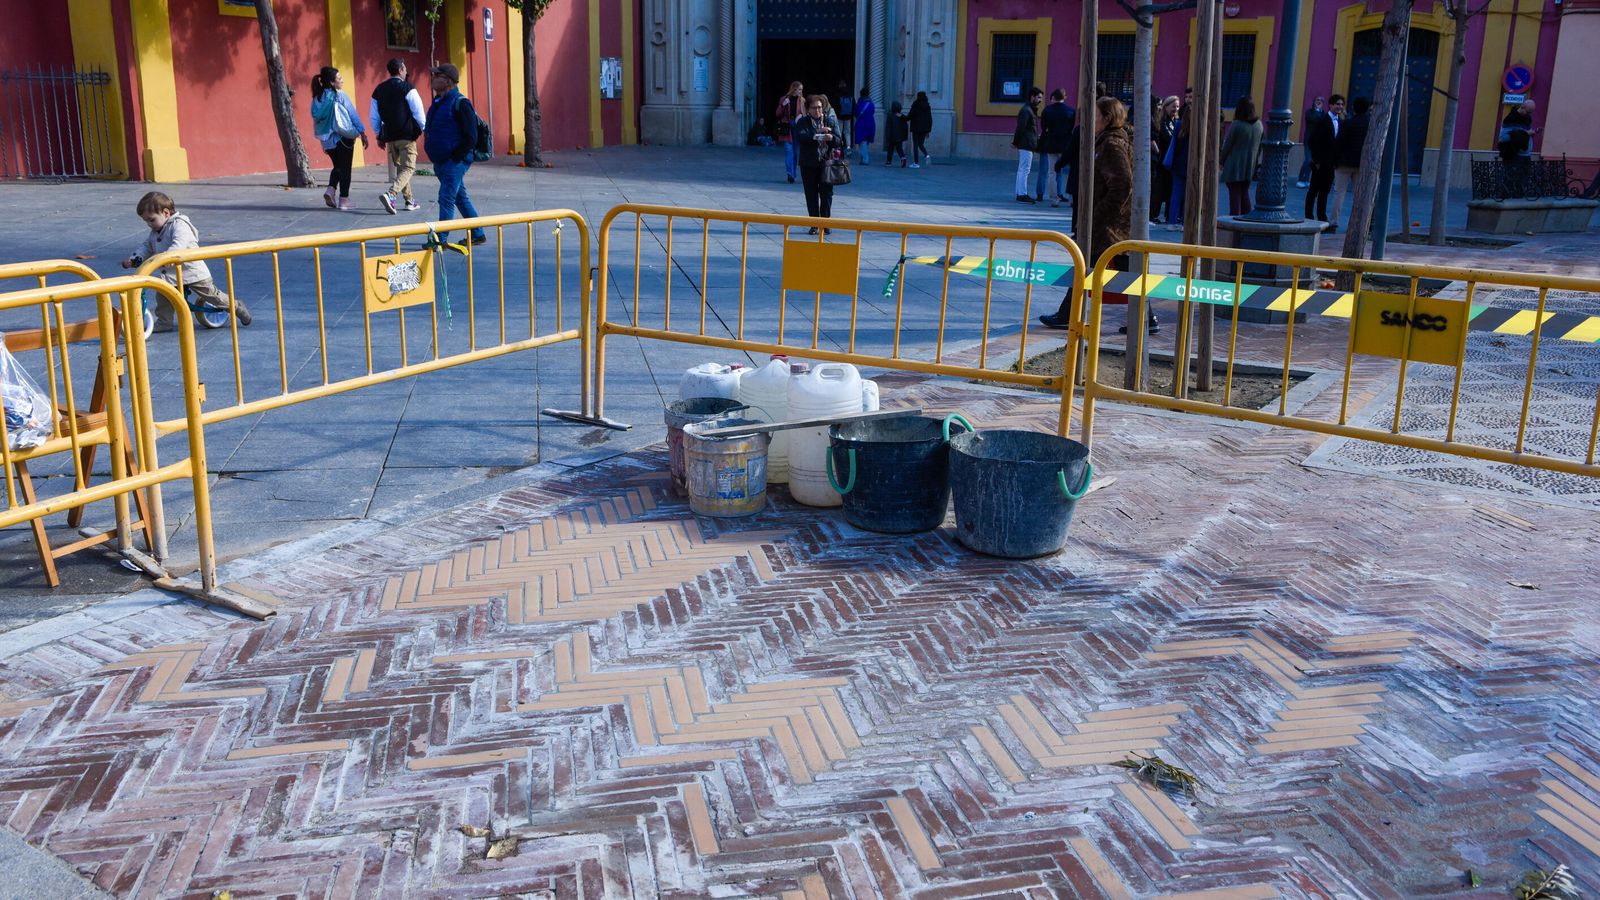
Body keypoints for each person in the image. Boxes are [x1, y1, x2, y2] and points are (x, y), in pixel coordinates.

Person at [1039, 97, 1141, 331]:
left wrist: (1100, 213)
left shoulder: (1111, 144)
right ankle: (1068, 313)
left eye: (1094, 115)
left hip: (1109, 224)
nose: (1090, 120)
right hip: (1109, 223)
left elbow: (1123, 184)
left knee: (1099, 265)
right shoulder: (1107, 140)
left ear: (1107, 117)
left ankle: (1144, 318)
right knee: (1090, 264)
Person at [120, 191, 252, 332]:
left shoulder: (180, 225)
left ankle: (236, 306)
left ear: (166, 213)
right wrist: (135, 259)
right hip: (172, 276)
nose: (149, 224)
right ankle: (164, 322)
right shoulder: (156, 231)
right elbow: (147, 247)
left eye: (151, 220)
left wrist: (170, 256)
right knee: (163, 298)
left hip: (192, 273)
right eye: (146, 221)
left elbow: (179, 243)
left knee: (213, 296)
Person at [422, 63, 487, 245]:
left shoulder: (461, 103)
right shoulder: (438, 102)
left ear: (448, 81)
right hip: (441, 160)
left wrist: (456, 158)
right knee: (460, 197)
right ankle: (478, 233)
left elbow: (471, 136)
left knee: (446, 198)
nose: (433, 79)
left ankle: (440, 239)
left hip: (454, 161)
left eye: (437, 76)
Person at [369, 58, 426, 215]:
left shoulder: (379, 90)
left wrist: (379, 135)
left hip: (390, 136)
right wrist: (424, 129)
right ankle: (391, 194)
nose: (406, 71)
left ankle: (409, 200)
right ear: (400, 70)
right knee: (408, 168)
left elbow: (374, 116)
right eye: (405, 68)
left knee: (402, 168)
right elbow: (418, 111)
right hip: (407, 135)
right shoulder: (407, 88)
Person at [309, 66, 368, 210]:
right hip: (343, 136)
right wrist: (362, 133)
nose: (342, 81)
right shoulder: (339, 95)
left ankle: (330, 190)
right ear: (331, 82)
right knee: (345, 168)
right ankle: (344, 199)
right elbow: (353, 114)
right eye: (339, 78)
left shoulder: (317, 98)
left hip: (327, 140)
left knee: (338, 166)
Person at [793, 94, 840, 233]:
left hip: (826, 163)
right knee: (811, 194)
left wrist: (831, 138)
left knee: (827, 194)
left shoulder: (829, 121)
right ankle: (814, 223)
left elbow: (839, 140)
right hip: (809, 163)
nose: (817, 111)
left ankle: (825, 222)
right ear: (808, 109)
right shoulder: (803, 122)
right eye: (814, 108)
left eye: (819, 107)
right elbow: (801, 137)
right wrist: (817, 132)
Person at [1327, 96, 1370, 233]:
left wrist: (1334, 161)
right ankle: (1360, 223)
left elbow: (1338, 143)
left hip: (1344, 163)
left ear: (1354, 108)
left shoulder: (1347, 123)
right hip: (1362, 164)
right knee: (1360, 195)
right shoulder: (1370, 124)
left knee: (1339, 193)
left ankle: (1333, 222)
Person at [1220, 96, 1264, 217]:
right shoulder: (1259, 125)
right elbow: (1260, 146)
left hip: (1234, 165)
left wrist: (1221, 161)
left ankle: (1234, 219)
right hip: (1250, 165)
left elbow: (1228, 145)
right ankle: (1247, 218)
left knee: (1235, 194)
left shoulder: (1237, 124)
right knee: (1244, 193)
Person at [1304, 93, 1343, 226]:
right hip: (1320, 163)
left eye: (1341, 104)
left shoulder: (1341, 122)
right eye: (1337, 104)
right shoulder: (1322, 120)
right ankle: (1309, 215)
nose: (1340, 106)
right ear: (1331, 105)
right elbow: (1312, 141)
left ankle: (1321, 216)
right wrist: (1316, 160)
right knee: (1313, 190)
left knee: (1325, 191)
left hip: (1331, 163)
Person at [1038, 89, 1073, 206]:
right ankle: (1071, 198)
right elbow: (1071, 127)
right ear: (1064, 97)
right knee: (1070, 172)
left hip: (1051, 144)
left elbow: (1044, 127)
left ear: (1053, 97)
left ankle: (1054, 199)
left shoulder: (1047, 110)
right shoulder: (1070, 111)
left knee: (1052, 172)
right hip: (1066, 145)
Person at [1013, 87, 1043, 202]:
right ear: (1032, 97)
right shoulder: (1027, 110)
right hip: (1026, 144)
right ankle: (1022, 194)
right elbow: (1021, 128)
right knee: (1025, 170)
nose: (1040, 100)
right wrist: (1015, 142)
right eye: (1038, 97)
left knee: (1022, 169)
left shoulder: (1029, 110)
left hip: (1026, 144)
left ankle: (1019, 193)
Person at [1151, 95, 1178, 223]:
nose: (1175, 109)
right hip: (1162, 160)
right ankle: (1153, 215)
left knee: (1169, 189)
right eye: (1173, 106)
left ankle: (1168, 215)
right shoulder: (1162, 122)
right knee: (1159, 189)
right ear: (1166, 107)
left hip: (1171, 162)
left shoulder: (1175, 121)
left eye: (1177, 106)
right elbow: (1167, 137)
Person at [1164, 102, 1190, 227]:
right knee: (1188, 195)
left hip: (1178, 163)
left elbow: (1174, 144)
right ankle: (1185, 222)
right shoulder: (1197, 126)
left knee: (1176, 194)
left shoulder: (1179, 125)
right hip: (1191, 165)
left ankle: (1172, 221)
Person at [776, 81, 805, 183]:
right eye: (799, 89)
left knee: (795, 152)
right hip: (787, 127)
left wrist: (801, 116)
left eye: (801, 89)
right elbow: (777, 114)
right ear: (794, 89)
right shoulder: (784, 99)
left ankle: (793, 173)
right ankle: (790, 174)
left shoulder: (802, 101)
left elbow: (806, 114)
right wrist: (783, 105)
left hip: (797, 127)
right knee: (789, 151)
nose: (800, 91)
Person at [1297, 95, 1325, 187]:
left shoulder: (1324, 114)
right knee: (1308, 160)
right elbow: (1313, 119)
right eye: (1317, 100)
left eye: (1321, 101)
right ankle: (1301, 179)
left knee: (1312, 161)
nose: (1319, 102)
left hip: (1318, 142)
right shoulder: (1309, 112)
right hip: (1309, 141)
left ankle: (1306, 180)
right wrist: (1318, 110)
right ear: (1314, 102)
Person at [909, 91, 933, 167]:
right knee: (921, 144)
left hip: (916, 128)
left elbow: (910, 115)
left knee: (915, 145)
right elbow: (930, 119)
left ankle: (916, 163)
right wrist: (928, 130)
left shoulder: (915, 104)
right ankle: (926, 155)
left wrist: (902, 117)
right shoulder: (927, 106)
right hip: (924, 129)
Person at [853, 88, 876, 164]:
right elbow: (873, 111)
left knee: (862, 142)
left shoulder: (859, 104)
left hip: (862, 124)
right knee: (866, 142)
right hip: (870, 123)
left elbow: (856, 113)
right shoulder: (871, 104)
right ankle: (862, 159)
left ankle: (865, 159)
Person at [884, 100, 909, 167]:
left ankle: (889, 161)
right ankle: (903, 157)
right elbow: (906, 119)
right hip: (899, 136)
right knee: (899, 148)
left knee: (890, 149)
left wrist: (887, 135)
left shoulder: (890, 115)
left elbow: (888, 126)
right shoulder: (901, 115)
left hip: (892, 135)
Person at [834, 81, 855, 151]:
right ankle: (848, 146)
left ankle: (839, 146)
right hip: (848, 117)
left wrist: (836, 114)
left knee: (839, 131)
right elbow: (854, 105)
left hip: (839, 116)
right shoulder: (850, 94)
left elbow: (835, 106)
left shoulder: (838, 94)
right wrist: (852, 114)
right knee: (847, 132)